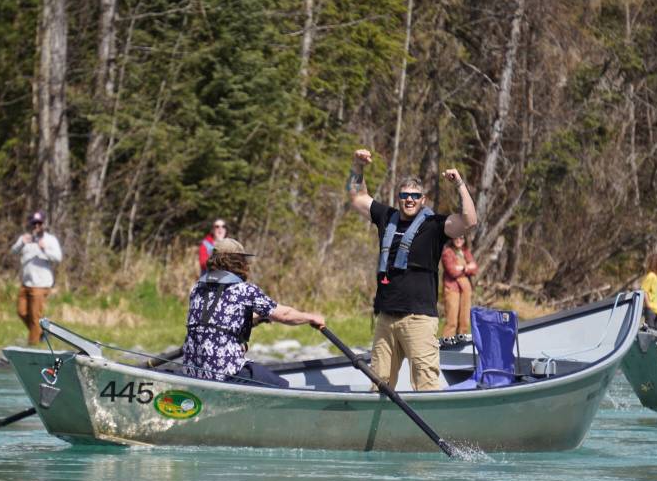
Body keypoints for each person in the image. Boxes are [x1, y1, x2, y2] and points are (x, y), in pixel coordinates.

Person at [346, 149, 477, 391]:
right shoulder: (387, 217)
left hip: (418, 318)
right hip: (386, 319)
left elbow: (470, 221)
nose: (409, 200)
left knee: (426, 386)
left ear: (422, 199)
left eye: (415, 196)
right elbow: (357, 197)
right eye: (405, 195)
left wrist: (459, 184)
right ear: (399, 197)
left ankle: (432, 427)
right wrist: (357, 165)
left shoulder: (435, 224)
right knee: (379, 386)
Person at [182, 238, 325, 387]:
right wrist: (311, 317)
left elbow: (219, 319)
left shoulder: (197, 288)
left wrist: (259, 316)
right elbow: (285, 315)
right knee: (282, 386)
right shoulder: (245, 290)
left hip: (193, 372)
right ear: (238, 262)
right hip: (225, 373)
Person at [10, 211, 63, 344]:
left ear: (44, 224)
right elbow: (13, 251)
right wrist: (21, 243)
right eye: (34, 223)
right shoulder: (25, 238)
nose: (36, 226)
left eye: (39, 223)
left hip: (41, 284)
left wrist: (45, 249)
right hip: (26, 282)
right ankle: (42, 332)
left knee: (35, 316)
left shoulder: (50, 240)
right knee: (21, 312)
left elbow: (58, 258)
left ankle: (32, 345)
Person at [440, 235, 478, 343]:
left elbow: (475, 268)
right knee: (452, 321)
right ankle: (446, 346)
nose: (458, 240)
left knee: (464, 320)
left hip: (465, 289)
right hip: (452, 288)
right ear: (452, 238)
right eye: (456, 237)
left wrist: (461, 267)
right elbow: (452, 271)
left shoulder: (465, 251)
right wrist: (467, 267)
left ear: (465, 240)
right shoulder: (447, 252)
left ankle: (462, 345)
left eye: (461, 238)